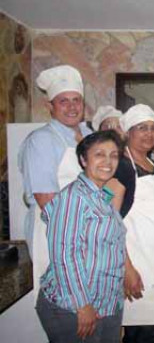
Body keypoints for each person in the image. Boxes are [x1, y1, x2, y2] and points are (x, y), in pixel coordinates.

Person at [36, 131, 126, 343]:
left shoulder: (101, 196)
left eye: (113, 155)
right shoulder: (73, 198)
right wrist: (82, 305)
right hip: (73, 307)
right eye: (99, 154)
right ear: (84, 160)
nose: (108, 161)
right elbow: (64, 254)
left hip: (105, 303)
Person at [18, 65, 92, 298]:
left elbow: (106, 186)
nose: (72, 107)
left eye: (76, 100)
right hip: (57, 233)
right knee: (66, 302)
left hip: (89, 230)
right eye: (63, 101)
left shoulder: (90, 136)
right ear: (49, 106)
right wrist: (77, 242)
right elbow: (46, 200)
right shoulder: (41, 141)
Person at [107, 104, 154, 343]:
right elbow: (109, 222)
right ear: (128, 132)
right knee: (143, 333)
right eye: (141, 128)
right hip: (139, 269)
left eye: (153, 128)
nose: (149, 134)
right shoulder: (122, 168)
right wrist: (126, 269)